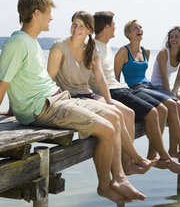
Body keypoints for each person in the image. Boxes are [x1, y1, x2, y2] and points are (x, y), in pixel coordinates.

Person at [0, 0, 144, 204]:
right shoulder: (17, 43)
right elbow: (3, 82)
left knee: (115, 115)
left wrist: (12, 108)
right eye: (48, 13)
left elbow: (21, 80)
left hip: (59, 98)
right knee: (108, 128)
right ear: (37, 13)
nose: (52, 18)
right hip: (45, 107)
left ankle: (119, 177)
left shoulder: (31, 41)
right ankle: (105, 185)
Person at [47, 10, 156, 176]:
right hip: (72, 97)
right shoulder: (60, 47)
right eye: (74, 25)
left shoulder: (92, 49)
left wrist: (109, 100)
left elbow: (100, 78)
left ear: (90, 30)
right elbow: (49, 79)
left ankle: (127, 163)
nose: (76, 29)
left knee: (128, 113)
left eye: (82, 26)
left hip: (88, 93)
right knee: (116, 115)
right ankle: (136, 158)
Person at [91, 11, 180, 174]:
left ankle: (154, 155)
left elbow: (112, 77)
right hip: (115, 91)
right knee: (152, 112)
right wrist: (107, 99)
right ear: (107, 27)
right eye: (114, 24)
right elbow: (104, 77)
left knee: (164, 108)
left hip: (122, 88)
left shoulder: (107, 46)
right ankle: (164, 156)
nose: (116, 27)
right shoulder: (94, 48)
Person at [114, 19, 180, 161]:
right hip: (134, 88)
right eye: (135, 28)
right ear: (128, 33)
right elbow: (116, 78)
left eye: (140, 27)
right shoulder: (124, 51)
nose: (139, 29)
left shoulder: (145, 51)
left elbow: (145, 75)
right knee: (172, 104)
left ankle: (173, 149)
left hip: (148, 86)